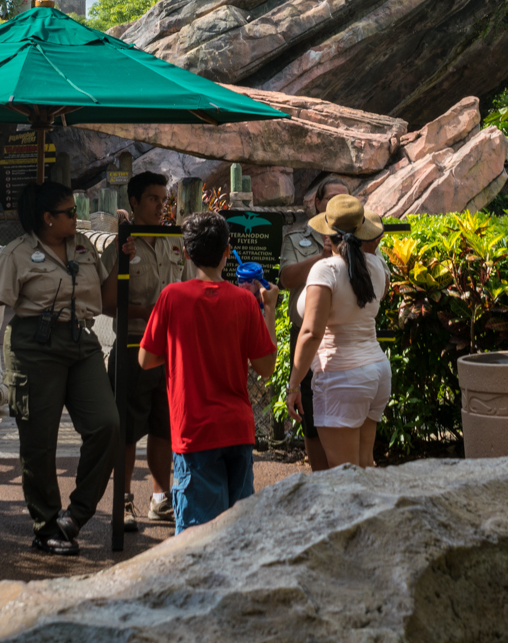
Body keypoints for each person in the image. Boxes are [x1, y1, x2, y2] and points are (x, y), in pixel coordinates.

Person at [0, 181, 120, 556]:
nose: (78, 218)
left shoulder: (84, 247)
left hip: (82, 342)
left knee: (108, 425)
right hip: (35, 346)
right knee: (39, 441)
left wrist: (122, 256)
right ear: (47, 219)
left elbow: (107, 303)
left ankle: (75, 515)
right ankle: (45, 527)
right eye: (70, 213)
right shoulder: (18, 253)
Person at [138, 211, 276, 533]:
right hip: (237, 428)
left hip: (194, 431)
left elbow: (146, 359)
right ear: (228, 250)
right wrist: (268, 308)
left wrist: (177, 354)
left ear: (186, 252)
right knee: (238, 530)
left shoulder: (172, 296)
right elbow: (266, 367)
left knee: (197, 537)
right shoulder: (244, 301)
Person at [285, 194, 390, 470]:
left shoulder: (326, 270)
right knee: (365, 464)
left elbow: (310, 332)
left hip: (342, 377)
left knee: (343, 475)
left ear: (328, 232)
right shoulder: (377, 266)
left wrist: (294, 384)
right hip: (377, 371)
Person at [111, 172, 184, 527]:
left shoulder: (176, 241)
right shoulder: (124, 244)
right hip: (133, 344)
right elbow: (108, 301)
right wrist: (146, 312)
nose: (160, 205)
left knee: (164, 426)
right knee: (125, 427)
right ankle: (123, 500)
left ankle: (160, 497)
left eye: (164, 198)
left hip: (171, 350)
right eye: (153, 198)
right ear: (135, 202)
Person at [278, 179, 345, 471]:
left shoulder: (357, 240)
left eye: (344, 199)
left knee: (345, 411)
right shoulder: (296, 239)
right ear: (317, 203)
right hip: (304, 334)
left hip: (342, 337)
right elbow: (287, 279)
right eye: (331, 198)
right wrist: (321, 259)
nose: (336, 204)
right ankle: (319, 480)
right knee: (310, 412)